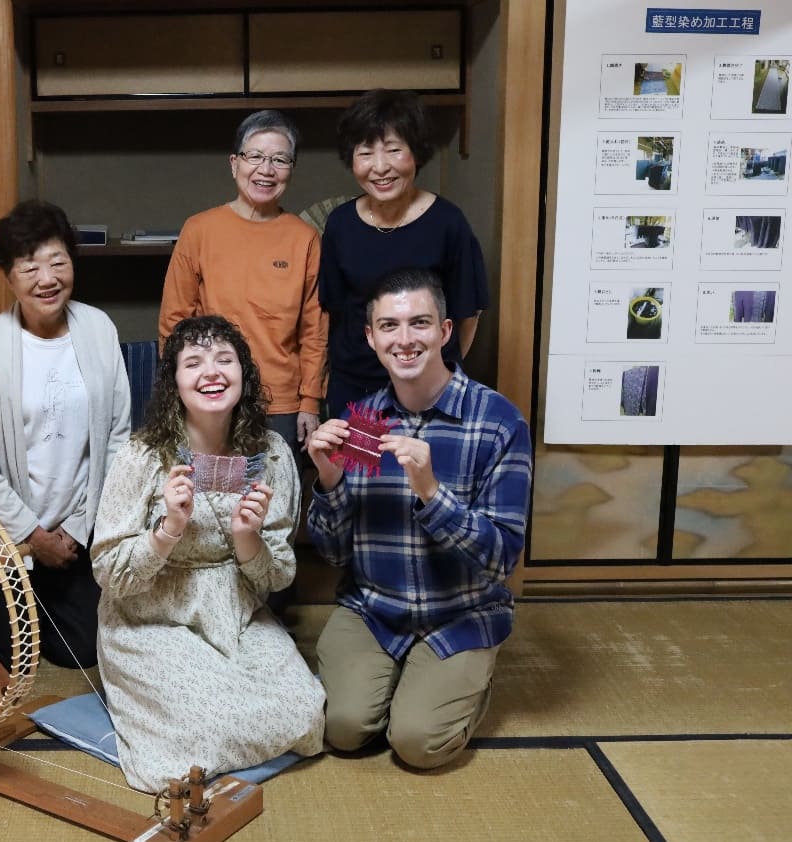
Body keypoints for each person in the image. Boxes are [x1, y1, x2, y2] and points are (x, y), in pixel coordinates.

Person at [306, 269, 531, 769]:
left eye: (419, 324)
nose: (404, 339)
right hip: (375, 610)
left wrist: (431, 492)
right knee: (342, 730)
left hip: (461, 614)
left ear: (445, 332)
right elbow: (335, 552)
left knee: (417, 742)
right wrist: (328, 480)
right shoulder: (364, 419)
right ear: (371, 338)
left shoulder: (498, 422)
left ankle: (463, 680)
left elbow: (501, 559)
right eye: (389, 326)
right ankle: (406, 677)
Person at [92, 315, 325, 792]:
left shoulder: (273, 454)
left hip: (235, 611)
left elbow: (277, 575)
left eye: (225, 360)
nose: (211, 372)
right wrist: (167, 530)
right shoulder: (142, 456)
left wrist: (248, 537)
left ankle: (224, 691)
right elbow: (109, 572)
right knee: (204, 728)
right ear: (175, 382)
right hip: (151, 616)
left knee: (306, 712)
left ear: (244, 373)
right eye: (193, 363)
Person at [0, 199, 131, 669]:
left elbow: (117, 436)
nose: (47, 278)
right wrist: (33, 535)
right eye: (30, 267)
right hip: (13, 535)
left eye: (58, 261)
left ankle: (56, 590)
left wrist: (74, 529)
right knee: (6, 657)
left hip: (78, 533)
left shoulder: (97, 328)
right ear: (9, 277)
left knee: (81, 652)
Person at [158, 109, 326, 456]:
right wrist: (180, 391)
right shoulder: (199, 230)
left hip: (280, 401)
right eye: (256, 157)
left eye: (280, 159)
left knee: (275, 503)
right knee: (208, 502)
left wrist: (310, 401)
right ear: (234, 163)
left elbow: (315, 330)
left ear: (291, 170)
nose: (266, 170)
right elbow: (174, 321)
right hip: (210, 392)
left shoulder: (305, 238)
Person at [319, 89, 490, 418]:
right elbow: (335, 311)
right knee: (358, 471)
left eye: (394, 150)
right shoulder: (340, 224)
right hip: (356, 387)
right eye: (365, 153)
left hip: (429, 389)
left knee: (423, 469)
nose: (380, 167)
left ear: (417, 153)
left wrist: (438, 371)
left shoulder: (447, 222)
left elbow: (468, 313)